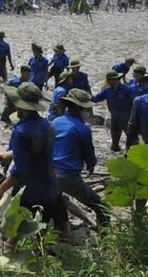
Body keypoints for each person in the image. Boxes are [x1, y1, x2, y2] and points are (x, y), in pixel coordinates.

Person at [0, 82, 69, 241]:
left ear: (22, 106)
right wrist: (11, 153)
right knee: (44, 233)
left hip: (29, 191)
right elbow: (36, 152)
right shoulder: (48, 125)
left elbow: (20, 171)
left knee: (11, 233)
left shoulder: (20, 131)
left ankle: (9, 257)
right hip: (51, 187)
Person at [53, 89, 110, 228]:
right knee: (102, 207)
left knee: (58, 201)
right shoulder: (83, 129)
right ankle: (105, 237)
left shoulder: (54, 122)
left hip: (48, 174)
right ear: (80, 108)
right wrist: (91, 166)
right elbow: (89, 156)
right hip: (68, 177)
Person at [91, 70, 136, 151]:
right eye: (108, 79)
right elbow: (96, 99)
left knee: (133, 140)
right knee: (114, 142)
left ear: (117, 79)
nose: (109, 81)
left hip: (127, 119)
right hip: (115, 118)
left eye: (112, 79)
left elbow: (135, 103)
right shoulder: (107, 90)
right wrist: (85, 98)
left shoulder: (127, 90)